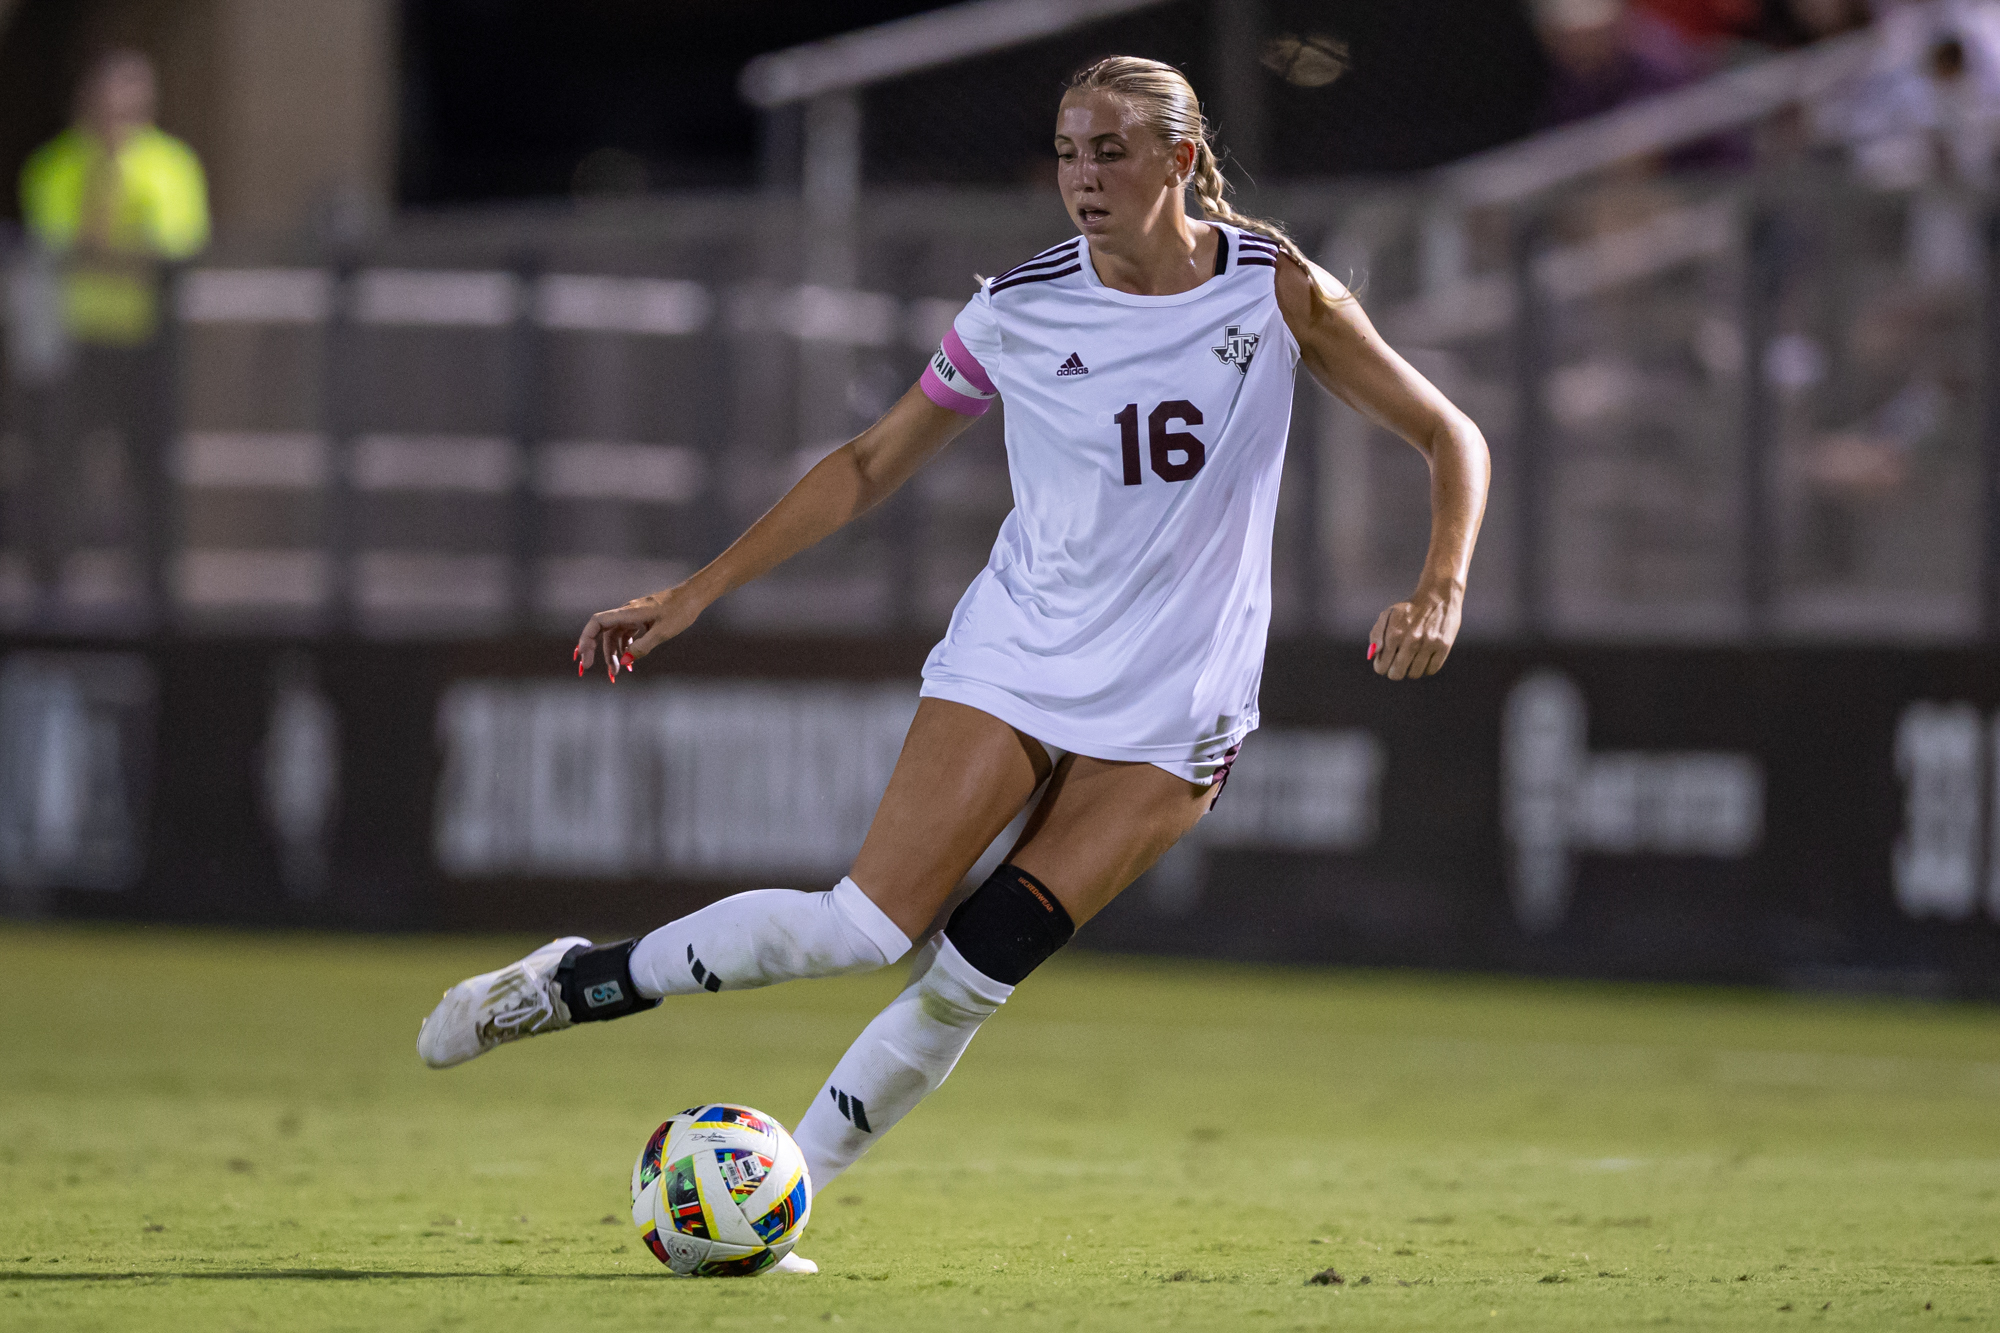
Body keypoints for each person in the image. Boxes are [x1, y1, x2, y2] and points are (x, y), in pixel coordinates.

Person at [415, 56, 1489, 1272]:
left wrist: (1438, 582)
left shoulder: (1274, 292)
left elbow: (1447, 434)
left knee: (974, 974)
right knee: (864, 928)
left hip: (1177, 709)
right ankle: (574, 981)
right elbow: (870, 463)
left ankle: (779, 1204)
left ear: (1180, 162)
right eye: (1069, 151)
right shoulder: (1019, 307)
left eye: (1111, 152)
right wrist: (694, 591)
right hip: (1018, 657)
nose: (1081, 178)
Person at [17, 48, 208, 619]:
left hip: (147, 341)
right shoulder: (54, 167)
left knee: (152, 464)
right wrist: (105, 177)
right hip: (75, 344)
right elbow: (64, 249)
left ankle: (157, 590)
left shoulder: (173, 166)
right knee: (56, 463)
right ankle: (50, 587)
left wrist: (108, 251)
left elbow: (172, 252)